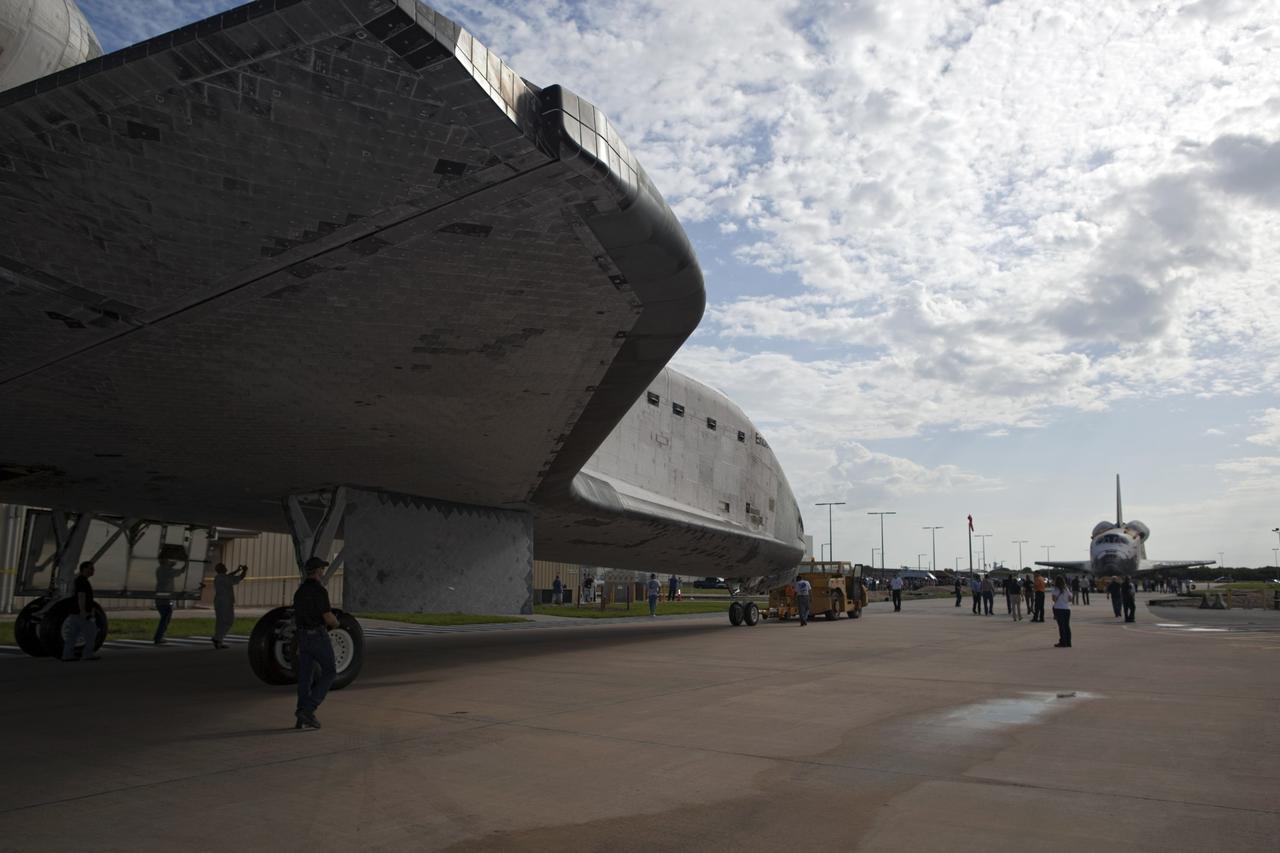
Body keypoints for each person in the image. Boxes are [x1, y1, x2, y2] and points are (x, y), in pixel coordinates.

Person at [293, 556, 339, 730]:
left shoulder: (299, 592)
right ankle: (309, 708)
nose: (323, 571)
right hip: (317, 637)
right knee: (330, 672)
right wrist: (336, 623)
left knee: (305, 677)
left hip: (303, 637)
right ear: (318, 570)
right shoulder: (320, 591)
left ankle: (301, 714)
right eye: (322, 568)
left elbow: (297, 617)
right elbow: (328, 617)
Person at [62, 561, 100, 662]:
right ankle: (87, 654)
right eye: (91, 568)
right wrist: (83, 611)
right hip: (81, 614)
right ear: (84, 569)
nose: (93, 571)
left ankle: (67, 655)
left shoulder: (79, 580)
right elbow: (81, 596)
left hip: (74, 613)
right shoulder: (82, 581)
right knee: (91, 633)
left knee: (71, 636)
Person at [152, 552, 187, 645]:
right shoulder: (167, 570)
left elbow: (172, 569)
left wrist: (171, 564)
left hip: (160, 597)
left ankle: (159, 637)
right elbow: (179, 572)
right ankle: (158, 637)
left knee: (165, 617)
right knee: (165, 618)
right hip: (165, 598)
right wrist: (186, 564)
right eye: (167, 559)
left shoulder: (160, 569)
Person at [212, 562, 248, 649]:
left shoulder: (219, 577)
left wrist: (237, 570)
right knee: (228, 621)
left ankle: (218, 640)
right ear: (221, 569)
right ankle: (218, 639)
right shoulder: (224, 578)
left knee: (220, 622)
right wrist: (244, 571)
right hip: (225, 602)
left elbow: (229, 576)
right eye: (224, 566)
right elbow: (240, 578)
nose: (226, 567)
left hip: (219, 602)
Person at [1051, 574, 1072, 647]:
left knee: (1061, 626)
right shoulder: (1066, 588)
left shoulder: (1055, 589)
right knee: (1067, 626)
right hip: (1067, 609)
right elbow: (1070, 599)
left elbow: (1053, 599)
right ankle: (1068, 642)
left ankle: (1063, 642)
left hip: (1059, 609)